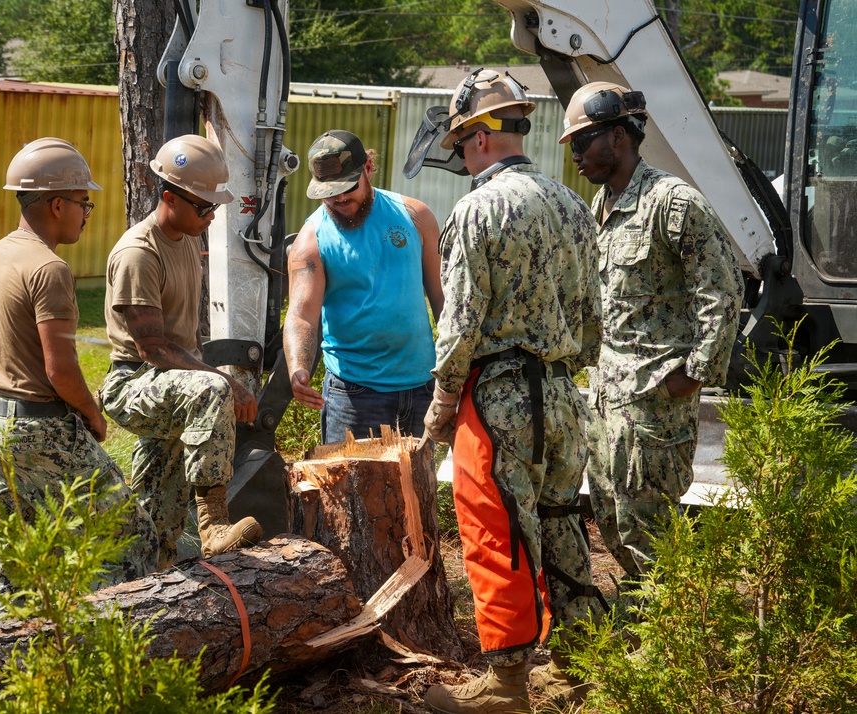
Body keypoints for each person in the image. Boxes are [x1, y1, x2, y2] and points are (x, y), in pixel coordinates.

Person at [421, 69, 605, 713]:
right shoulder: (571, 203)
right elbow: (591, 317)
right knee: (560, 523)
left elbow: (460, 320)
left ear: (475, 136)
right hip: (560, 394)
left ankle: (505, 686)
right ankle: (587, 666)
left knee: (495, 530)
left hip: (498, 394)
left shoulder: (476, 209)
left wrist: (442, 404)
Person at [560, 82, 744, 583]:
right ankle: (642, 627)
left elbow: (722, 293)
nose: (575, 154)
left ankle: (664, 645)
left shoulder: (673, 203)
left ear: (618, 136)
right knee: (613, 522)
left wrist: (692, 375)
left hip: (655, 405)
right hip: (607, 400)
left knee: (651, 533)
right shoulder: (601, 208)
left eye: (582, 141)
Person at [0, 137, 158, 606]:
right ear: (57, 204)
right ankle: (112, 644)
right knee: (128, 535)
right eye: (83, 203)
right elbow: (61, 369)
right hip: (42, 429)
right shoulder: (49, 269)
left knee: (17, 559)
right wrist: (93, 414)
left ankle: (1, 659)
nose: (85, 212)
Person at [99, 134, 263, 570]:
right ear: (169, 198)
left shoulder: (188, 236)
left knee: (157, 520)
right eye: (203, 206)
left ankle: (153, 592)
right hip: (133, 383)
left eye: (215, 206)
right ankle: (212, 527)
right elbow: (152, 348)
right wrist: (224, 381)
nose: (211, 215)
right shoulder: (139, 253)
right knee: (211, 389)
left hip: (172, 386)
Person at [284, 130, 444, 444]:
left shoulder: (416, 217)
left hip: (422, 387)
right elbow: (301, 315)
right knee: (351, 491)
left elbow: (441, 297)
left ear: (368, 168)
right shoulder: (311, 240)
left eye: (348, 188)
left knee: (416, 490)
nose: (340, 199)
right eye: (329, 193)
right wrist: (298, 368)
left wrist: (456, 368)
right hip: (354, 397)